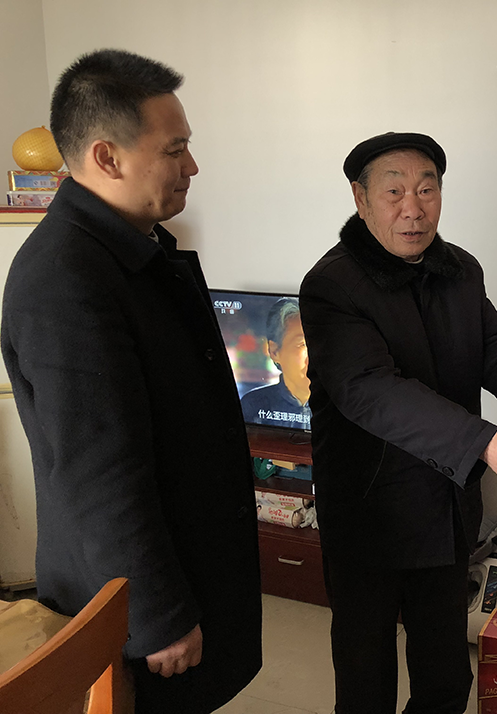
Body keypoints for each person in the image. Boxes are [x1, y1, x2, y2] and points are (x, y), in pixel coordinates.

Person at [0, 50, 262, 714]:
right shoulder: (65, 279)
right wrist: (156, 613)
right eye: (174, 150)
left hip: (182, 550)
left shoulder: (131, 246)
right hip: (129, 592)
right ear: (107, 158)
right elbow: (99, 471)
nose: (192, 166)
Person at [299, 132, 497, 714]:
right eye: (394, 192)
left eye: (427, 190)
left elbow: (495, 344)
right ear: (360, 198)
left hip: (446, 501)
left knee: (446, 670)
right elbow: (369, 389)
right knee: (365, 673)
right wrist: (483, 441)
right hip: (370, 509)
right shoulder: (331, 285)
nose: (413, 208)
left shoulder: (458, 269)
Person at [241, 296, 312, 431]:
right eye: (303, 344)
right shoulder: (253, 405)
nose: (315, 355)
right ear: (274, 351)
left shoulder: (342, 403)